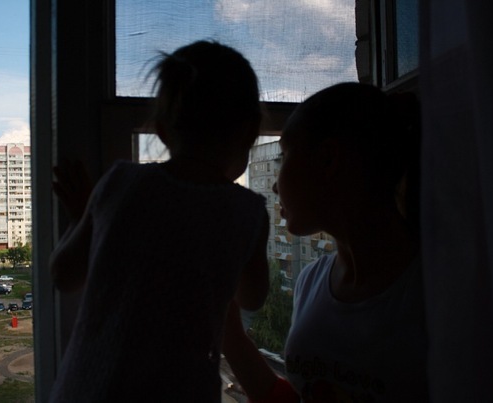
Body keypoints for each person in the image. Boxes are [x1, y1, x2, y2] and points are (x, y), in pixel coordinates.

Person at [49, 40, 270, 402]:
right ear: (250, 132)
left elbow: (63, 274)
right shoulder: (248, 211)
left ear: (163, 130)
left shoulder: (120, 183)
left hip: (86, 387)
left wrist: (83, 216)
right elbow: (253, 298)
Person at [222, 82, 427, 402]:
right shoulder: (312, 281)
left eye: (284, 156)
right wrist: (230, 334)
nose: (274, 187)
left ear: (328, 160)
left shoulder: (436, 291)